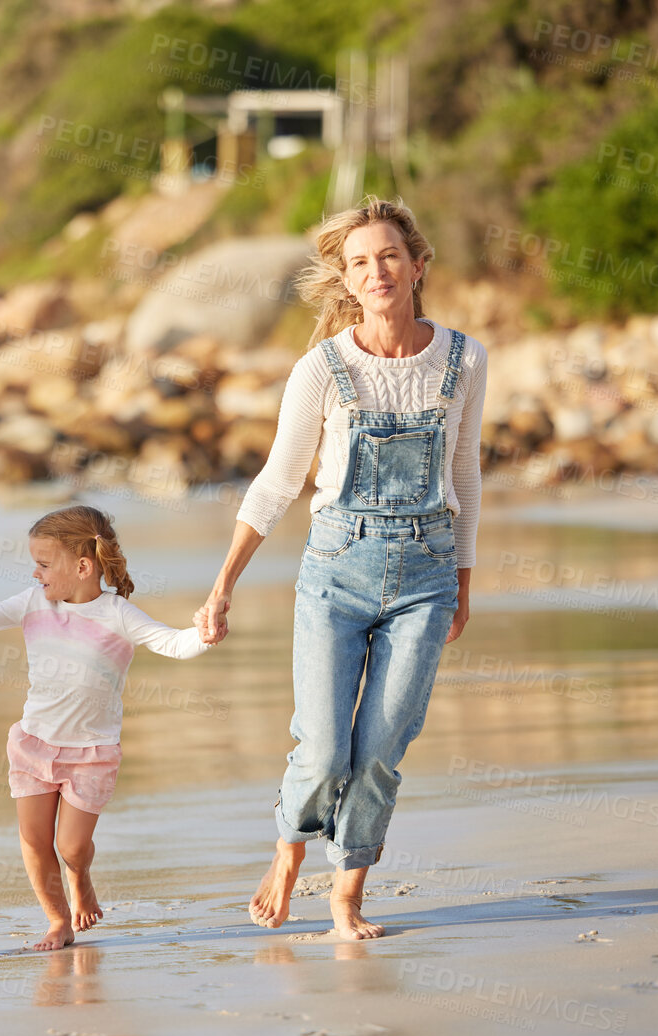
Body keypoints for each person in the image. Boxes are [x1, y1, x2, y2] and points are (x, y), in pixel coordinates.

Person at [197, 196, 487, 940]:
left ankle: (346, 896)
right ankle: (290, 850)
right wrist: (223, 583)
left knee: (381, 749)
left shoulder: (463, 358)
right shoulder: (321, 368)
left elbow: (465, 471)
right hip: (336, 568)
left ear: (417, 265)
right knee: (324, 747)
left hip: (426, 569)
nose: (376, 270)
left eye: (388, 255)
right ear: (346, 280)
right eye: (359, 261)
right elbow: (276, 481)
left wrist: (462, 579)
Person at [0, 506, 213, 950]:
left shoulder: (118, 614)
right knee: (34, 842)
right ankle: (57, 921)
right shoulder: (34, 602)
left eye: (45, 564)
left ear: (83, 566)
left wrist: (203, 632)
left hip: (90, 752)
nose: (35, 572)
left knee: (70, 847)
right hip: (34, 744)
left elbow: (171, 642)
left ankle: (81, 877)